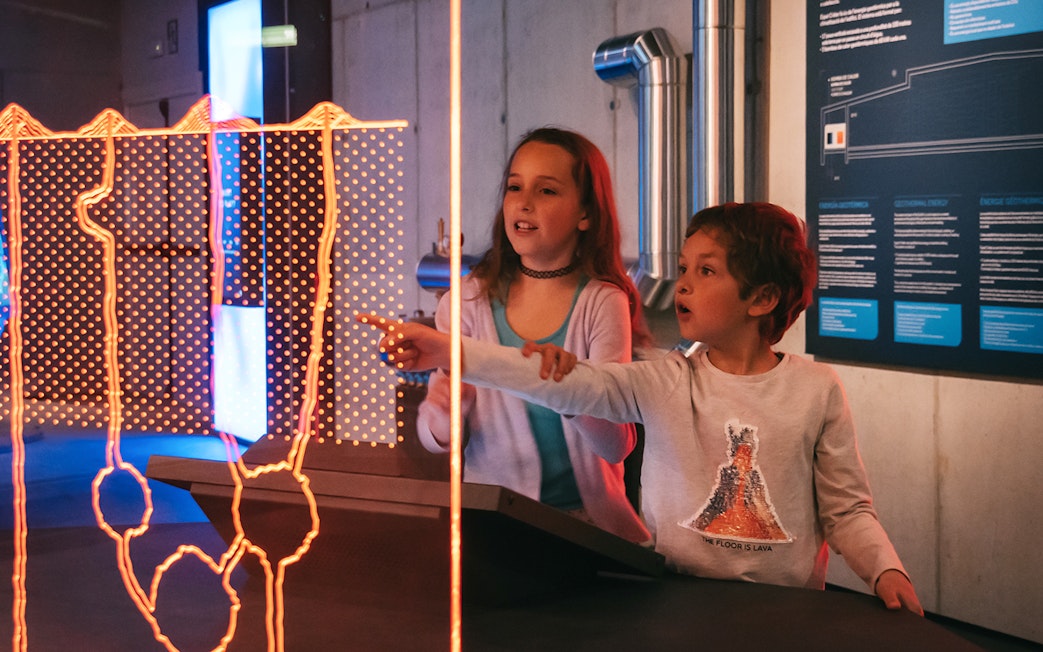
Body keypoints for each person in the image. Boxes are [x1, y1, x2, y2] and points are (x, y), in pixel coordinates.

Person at [359, 202, 924, 615]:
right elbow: (574, 386)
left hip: (784, 614)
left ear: (762, 298)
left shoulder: (816, 389)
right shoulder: (665, 379)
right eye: (682, 269)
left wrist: (885, 569)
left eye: (706, 271)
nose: (683, 285)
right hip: (672, 601)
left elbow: (847, 510)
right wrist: (449, 351)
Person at [414, 127, 650, 543]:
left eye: (547, 191)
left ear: (586, 214)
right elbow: (435, 442)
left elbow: (617, 446)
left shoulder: (603, 301)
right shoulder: (464, 302)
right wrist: (445, 413)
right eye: (514, 187)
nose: (523, 202)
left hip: (587, 529)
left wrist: (572, 393)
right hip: (493, 526)